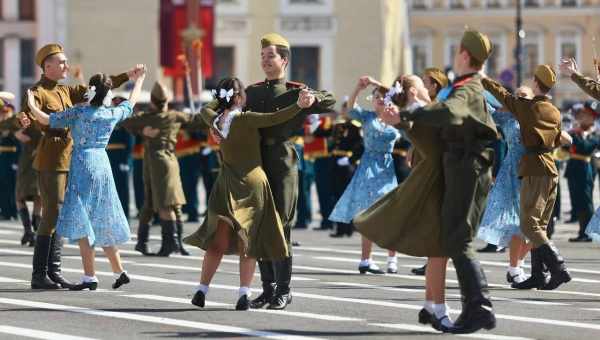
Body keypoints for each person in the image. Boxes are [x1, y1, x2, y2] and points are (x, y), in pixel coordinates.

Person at [381, 30, 499, 334]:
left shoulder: (470, 88)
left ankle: (480, 308)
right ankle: (469, 308)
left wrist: (414, 110)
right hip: (459, 165)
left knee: (457, 237)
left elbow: (449, 112)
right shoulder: (466, 86)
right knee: (453, 237)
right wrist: (405, 119)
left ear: (462, 55)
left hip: (467, 166)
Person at [184, 78, 315, 310]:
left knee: (218, 240)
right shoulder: (247, 119)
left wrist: (222, 99)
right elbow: (275, 118)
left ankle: (201, 289)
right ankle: (244, 293)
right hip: (253, 181)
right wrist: (299, 106)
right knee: (248, 240)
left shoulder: (214, 120)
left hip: (226, 182)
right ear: (240, 97)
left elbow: (205, 109)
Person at [19, 44, 140, 290]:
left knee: (66, 214)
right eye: (61, 62)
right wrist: (24, 119)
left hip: (73, 159)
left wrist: (128, 76)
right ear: (47, 66)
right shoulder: (38, 91)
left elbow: (98, 88)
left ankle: (54, 271)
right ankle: (39, 274)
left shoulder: (67, 91)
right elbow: (29, 117)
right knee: (52, 212)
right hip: (53, 159)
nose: (66, 65)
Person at [232, 33, 335, 310]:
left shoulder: (294, 90)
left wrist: (309, 100)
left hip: (282, 160)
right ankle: (267, 289)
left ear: (284, 60)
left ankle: (284, 289)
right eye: (263, 56)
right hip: (256, 161)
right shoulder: (252, 92)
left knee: (281, 225)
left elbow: (330, 100)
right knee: (259, 225)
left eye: (271, 56)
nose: (265, 61)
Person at [356, 73, 457, 331]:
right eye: (421, 84)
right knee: (439, 250)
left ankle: (430, 305)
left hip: (432, 178)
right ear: (413, 92)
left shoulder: (419, 111)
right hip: (435, 181)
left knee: (438, 250)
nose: (426, 87)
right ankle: (440, 310)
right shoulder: (419, 113)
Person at [482, 64, 571, 291]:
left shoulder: (527, 108)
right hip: (550, 168)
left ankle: (558, 267)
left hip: (533, 169)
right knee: (539, 224)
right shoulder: (555, 111)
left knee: (529, 224)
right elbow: (559, 138)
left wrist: (481, 77)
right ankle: (538, 275)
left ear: (535, 83)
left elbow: (501, 94)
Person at [120, 82, 202, 257]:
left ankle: (163, 242)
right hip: (166, 161)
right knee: (168, 202)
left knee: (159, 202)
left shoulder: (147, 118)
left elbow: (126, 122)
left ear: (152, 101)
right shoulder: (174, 116)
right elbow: (196, 121)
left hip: (154, 161)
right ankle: (171, 243)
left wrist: (142, 131)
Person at [329, 76, 400, 274]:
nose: (379, 99)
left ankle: (392, 257)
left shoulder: (395, 116)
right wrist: (358, 88)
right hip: (368, 166)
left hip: (387, 166)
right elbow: (350, 108)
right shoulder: (368, 117)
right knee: (366, 214)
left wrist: (378, 83)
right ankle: (365, 260)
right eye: (376, 96)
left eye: (382, 96)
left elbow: (402, 105)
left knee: (390, 213)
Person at [0, 96, 42, 247]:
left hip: (29, 160)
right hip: (38, 160)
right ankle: (34, 231)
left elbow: (13, 131)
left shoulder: (22, 118)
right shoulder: (43, 117)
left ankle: (29, 231)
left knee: (21, 196)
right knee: (37, 196)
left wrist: (16, 130)